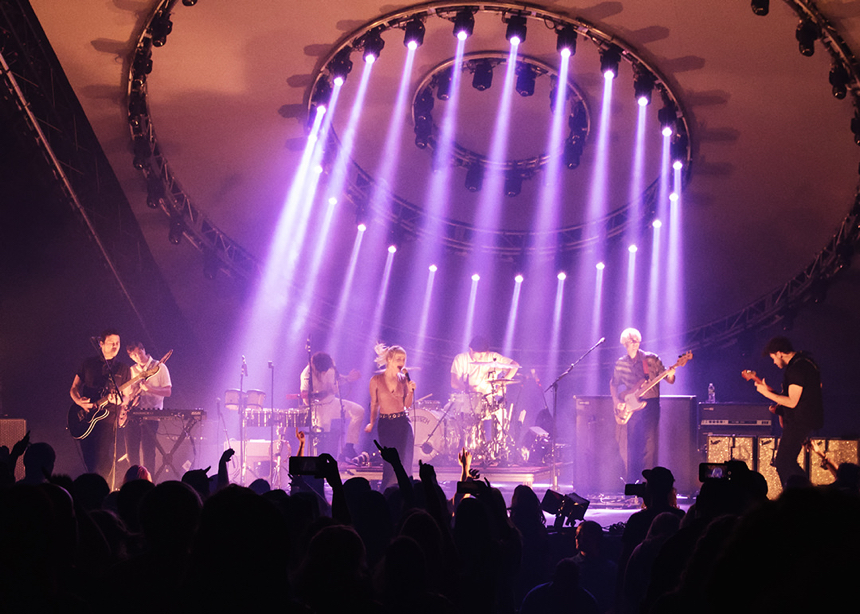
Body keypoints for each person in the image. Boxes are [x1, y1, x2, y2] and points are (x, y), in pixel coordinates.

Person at [754, 336, 823, 486]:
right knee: (787, 462)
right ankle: (805, 494)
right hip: (805, 419)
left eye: (773, 358)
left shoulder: (797, 369)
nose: (774, 362)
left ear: (780, 353)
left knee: (783, 462)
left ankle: (801, 497)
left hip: (800, 421)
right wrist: (771, 392)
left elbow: (792, 402)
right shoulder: (804, 363)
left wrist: (765, 393)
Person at [609, 328, 675, 483]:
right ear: (625, 343)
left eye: (637, 341)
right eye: (632, 341)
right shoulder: (620, 363)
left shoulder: (651, 359)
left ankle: (649, 483)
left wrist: (671, 374)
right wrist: (616, 402)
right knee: (632, 444)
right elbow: (613, 384)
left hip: (650, 404)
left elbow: (669, 379)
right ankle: (632, 482)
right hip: (631, 407)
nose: (635, 344)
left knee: (649, 445)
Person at [70, 329, 131, 487]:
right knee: (89, 459)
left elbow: (126, 397)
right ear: (101, 344)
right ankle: (91, 490)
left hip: (107, 418)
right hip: (85, 416)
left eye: (118, 343)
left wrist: (118, 401)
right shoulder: (88, 363)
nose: (115, 346)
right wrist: (79, 401)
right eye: (111, 343)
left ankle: (105, 489)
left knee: (102, 455)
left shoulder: (123, 368)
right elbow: (74, 388)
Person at [366, 343, 415, 490]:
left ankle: (406, 495)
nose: (402, 362)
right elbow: (374, 404)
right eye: (398, 359)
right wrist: (371, 422)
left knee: (405, 463)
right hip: (386, 425)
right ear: (390, 360)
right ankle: (387, 495)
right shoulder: (376, 380)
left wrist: (411, 390)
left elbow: (407, 405)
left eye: (404, 359)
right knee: (390, 464)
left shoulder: (404, 379)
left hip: (403, 423)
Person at [300, 351, 363, 459]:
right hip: (318, 407)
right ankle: (322, 462)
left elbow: (338, 379)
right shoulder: (306, 374)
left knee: (358, 411)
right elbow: (305, 399)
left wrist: (349, 378)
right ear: (314, 366)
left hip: (332, 401)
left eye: (326, 370)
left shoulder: (330, 367)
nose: (324, 373)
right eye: (322, 371)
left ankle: (349, 446)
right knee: (324, 437)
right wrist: (325, 393)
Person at [122, 341, 172, 474]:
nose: (138, 357)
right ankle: (133, 482)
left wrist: (149, 389)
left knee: (148, 452)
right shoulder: (131, 370)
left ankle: (149, 483)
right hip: (133, 415)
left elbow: (167, 392)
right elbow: (126, 395)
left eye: (139, 353)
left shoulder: (159, 367)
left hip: (151, 416)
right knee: (131, 452)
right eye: (134, 356)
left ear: (144, 351)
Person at [450, 335, 520, 396]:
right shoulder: (461, 358)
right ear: (471, 349)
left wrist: (502, 383)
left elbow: (515, 365)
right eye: (479, 354)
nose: (482, 357)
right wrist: (469, 389)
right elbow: (454, 383)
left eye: (484, 354)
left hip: (488, 399)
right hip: (468, 398)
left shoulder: (493, 357)